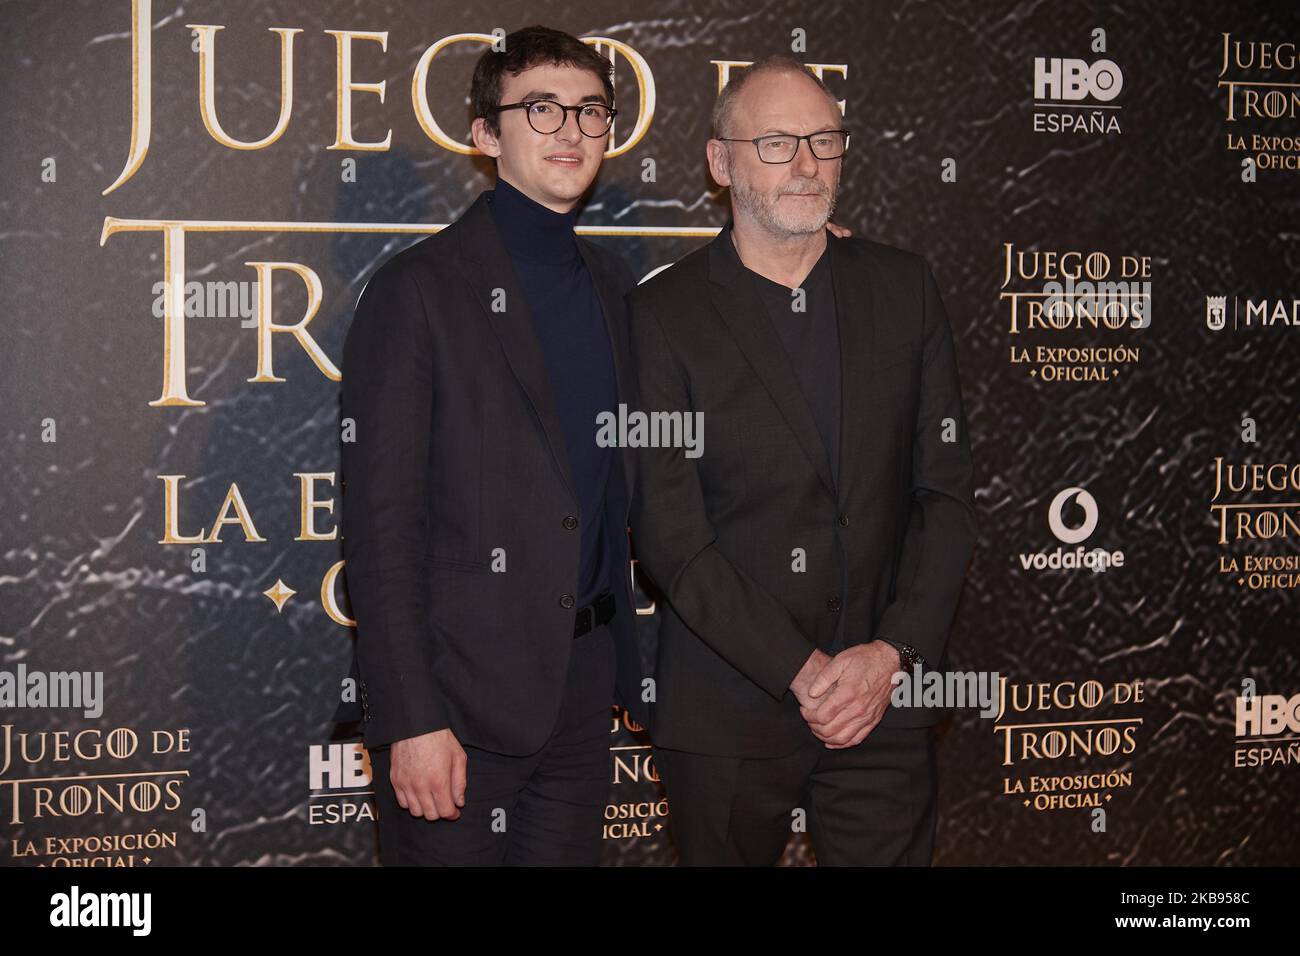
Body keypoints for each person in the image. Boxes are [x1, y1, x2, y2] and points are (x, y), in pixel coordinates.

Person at [627, 54, 978, 866]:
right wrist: (807, 671)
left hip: (884, 705)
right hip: (728, 710)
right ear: (721, 162)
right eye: (778, 142)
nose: (808, 164)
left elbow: (946, 499)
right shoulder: (660, 316)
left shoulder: (904, 288)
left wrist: (888, 658)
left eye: (825, 140)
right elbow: (673, 539)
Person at [335, 25, 646, 865]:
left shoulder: (616, 292)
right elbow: (381, 529)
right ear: (484, 134)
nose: (572, 130)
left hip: (581, 700)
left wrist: (809, 254)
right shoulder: (417, 293)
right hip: (456, 711)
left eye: (591, 111)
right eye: (541, 109)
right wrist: (411, 718)